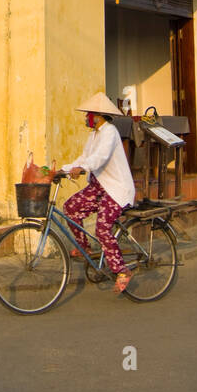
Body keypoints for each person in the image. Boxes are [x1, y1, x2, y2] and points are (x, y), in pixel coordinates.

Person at [58, 92, 137, 294]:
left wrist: (83, 169)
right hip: (98, 186)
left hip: (115, 189)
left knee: (102, 229)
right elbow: (84, 157)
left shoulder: (110, 132)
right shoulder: (94, 134)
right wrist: (64, 170)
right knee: (70, 208)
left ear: (98, 116)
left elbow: (99, 158)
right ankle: (85, 248)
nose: (86, 118)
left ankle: (121, 270)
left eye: (88, 114)